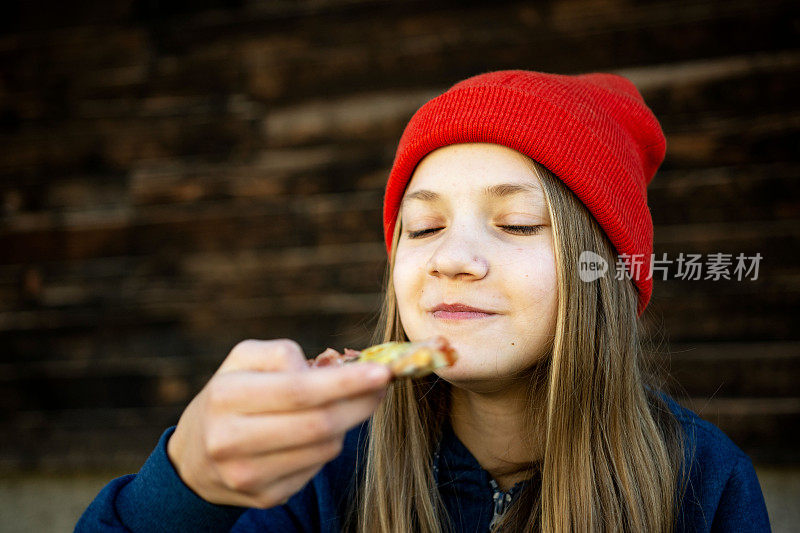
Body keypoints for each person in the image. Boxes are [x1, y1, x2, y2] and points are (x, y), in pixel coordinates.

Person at [76, 70, 771, 532]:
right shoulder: (324, 468)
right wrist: (187, 483)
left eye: (518, 223)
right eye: (425, 226)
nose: (452, 257)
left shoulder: (704, 484)